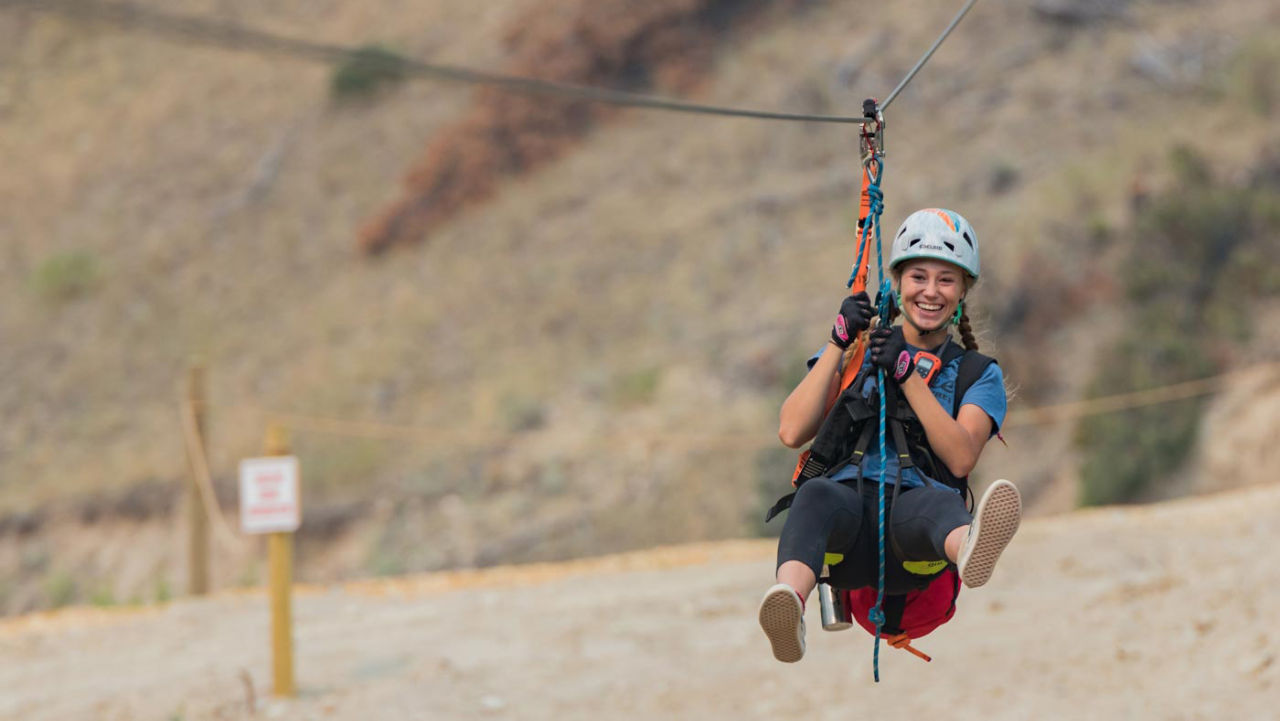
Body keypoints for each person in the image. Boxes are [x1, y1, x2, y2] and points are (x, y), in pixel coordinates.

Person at [758, 208, 1022, 663]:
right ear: (898, 283)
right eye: (919, 277)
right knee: (814, 496)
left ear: (962, 292)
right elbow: (791, 429)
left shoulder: (978, 375)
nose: (931, 292)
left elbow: (960, 459)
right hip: (848, 522)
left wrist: (907, 374)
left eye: (946, 280)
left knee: (941, 500)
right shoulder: (858, 349)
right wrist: (839, 342)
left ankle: (971, 549)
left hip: (913, 539)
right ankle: (790, 604)